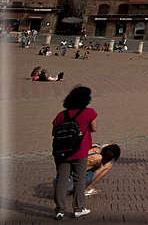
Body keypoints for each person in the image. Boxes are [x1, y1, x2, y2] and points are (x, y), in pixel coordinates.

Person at [52, 85, 97, 219]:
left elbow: (54, 132)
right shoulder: (89, 113)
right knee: (79, 179)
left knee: (61, 180)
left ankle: (59, 210)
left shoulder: (62, 114)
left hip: (62, 152)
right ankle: (78, 208)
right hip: (80, 150)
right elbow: (94, 128)